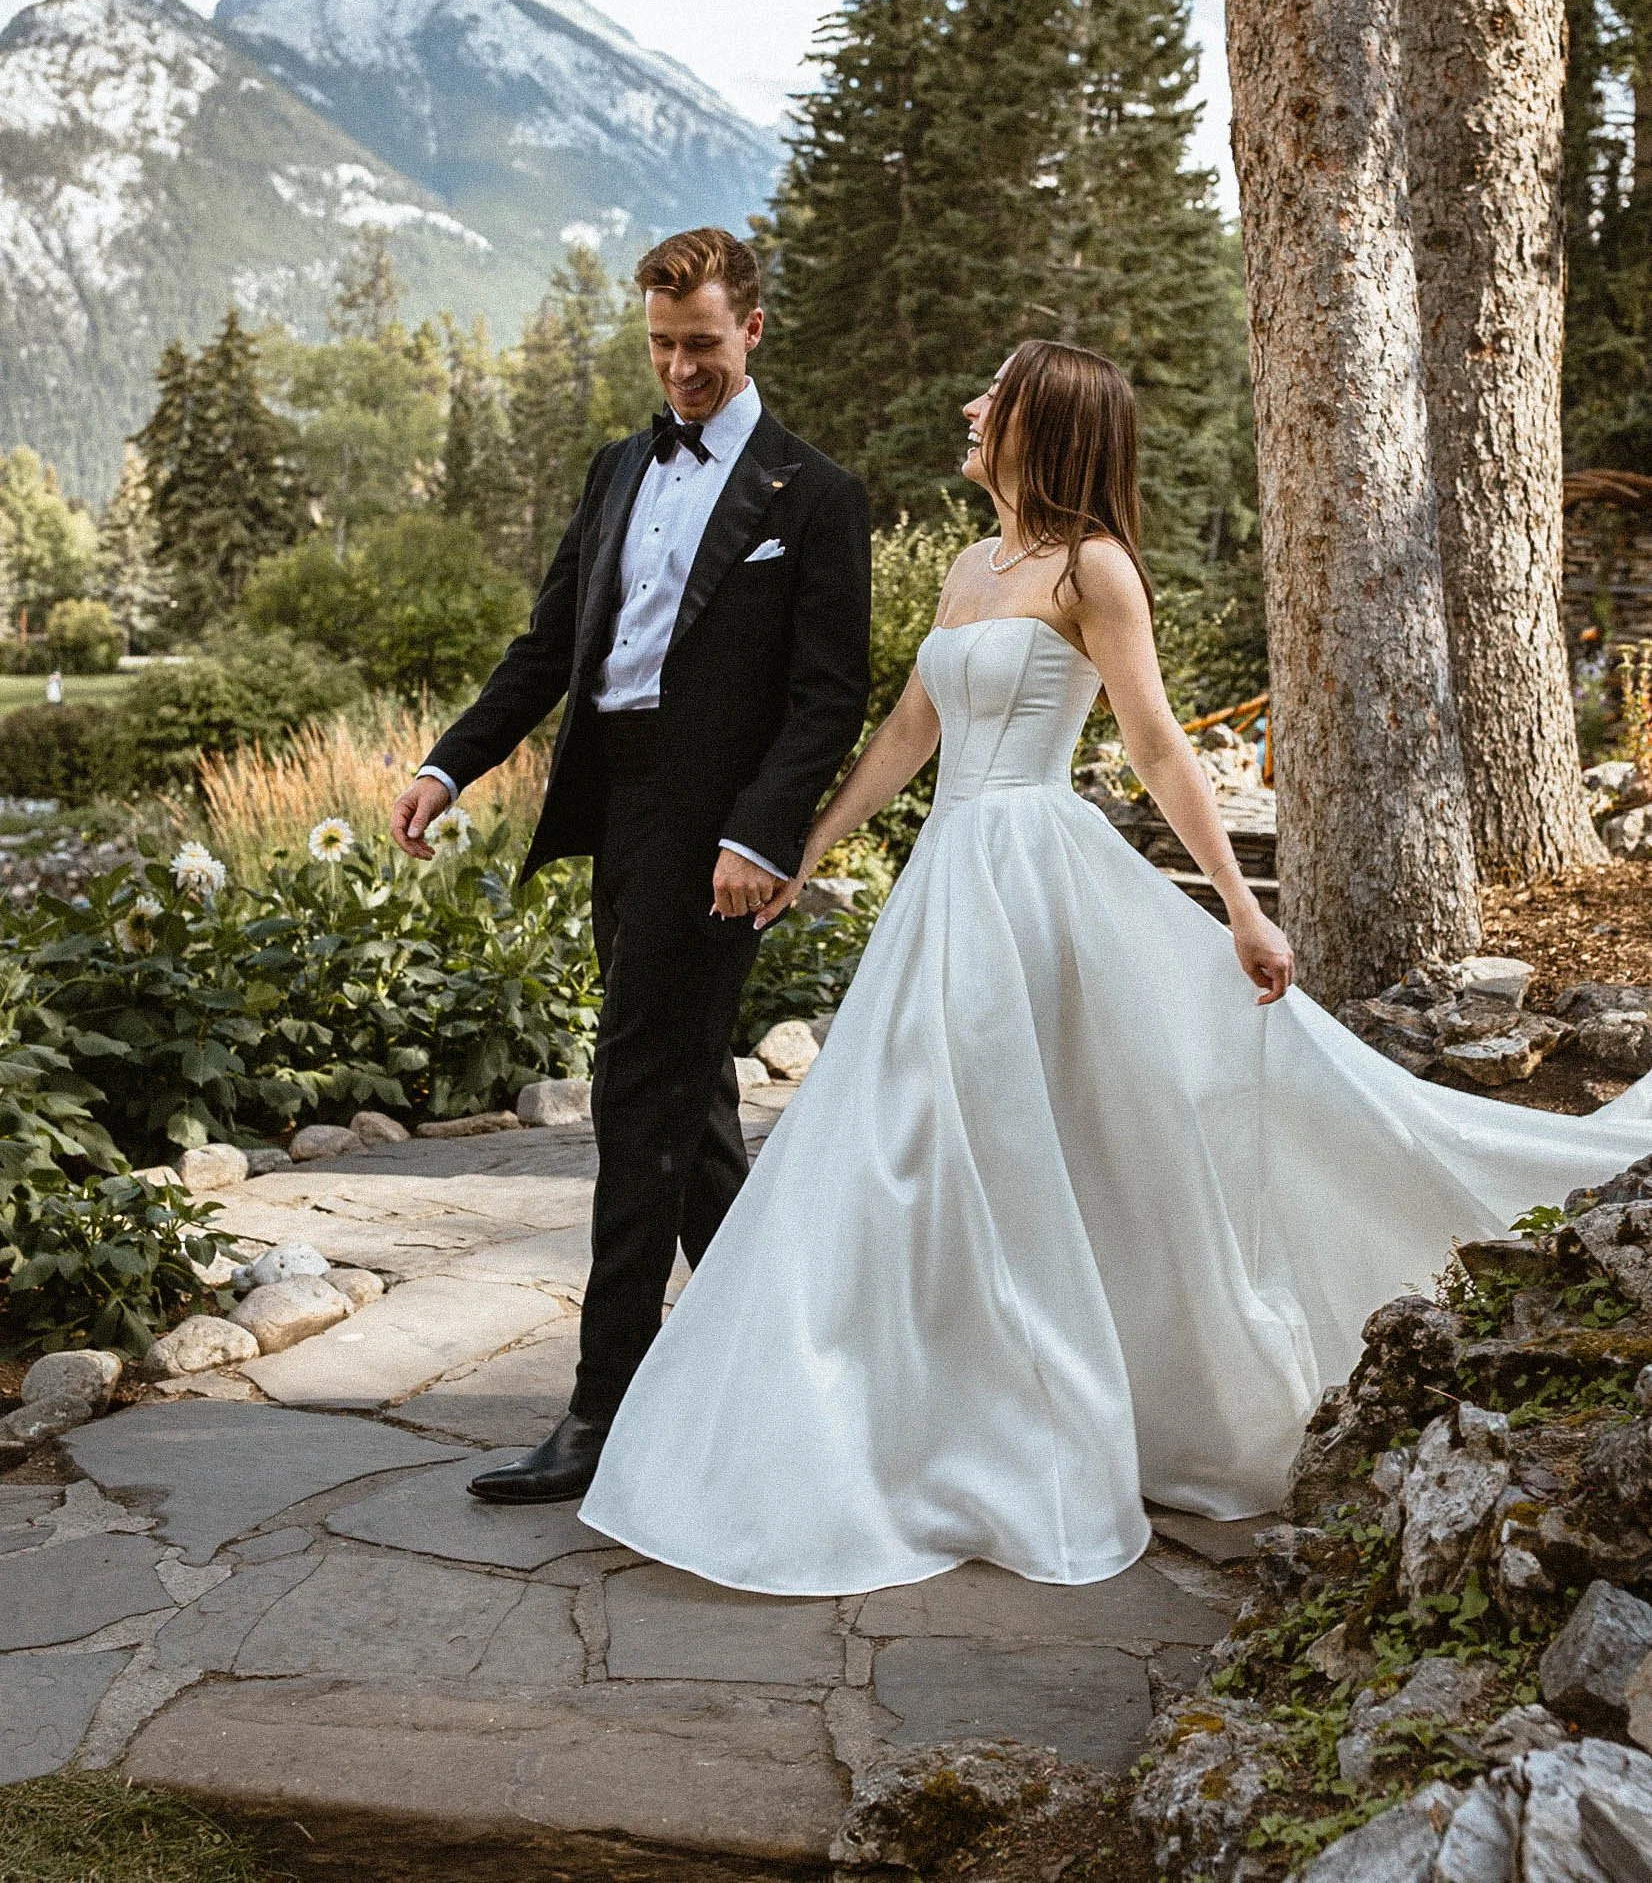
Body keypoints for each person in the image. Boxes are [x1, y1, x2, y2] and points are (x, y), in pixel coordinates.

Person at [578, 337, 1652, 1596]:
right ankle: (909, 1400)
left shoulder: (1095, 569)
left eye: (996, 395)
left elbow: (1154, 746)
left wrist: (1247, 914)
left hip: (1035, 874)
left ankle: (1032, 1416)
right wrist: (800, 845)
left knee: (1004, 1134)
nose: (970, 405)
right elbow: (909, 733)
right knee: (911, 1133)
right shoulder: (972, 566)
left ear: (1047, 424)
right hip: (947, 879)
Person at [391, 227, 871, 1505]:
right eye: (662, 348)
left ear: (752, 330)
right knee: (687, 1109)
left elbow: (829, 698)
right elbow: (547, 649)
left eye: (701, 345)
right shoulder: (617, 471)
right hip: (621, 813)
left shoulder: (813, 495)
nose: (680, 371)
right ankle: (803, 1366)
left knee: (635, 1098)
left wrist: (758, 836)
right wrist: (449, 765)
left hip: (714, 836)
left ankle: (605, 1408)